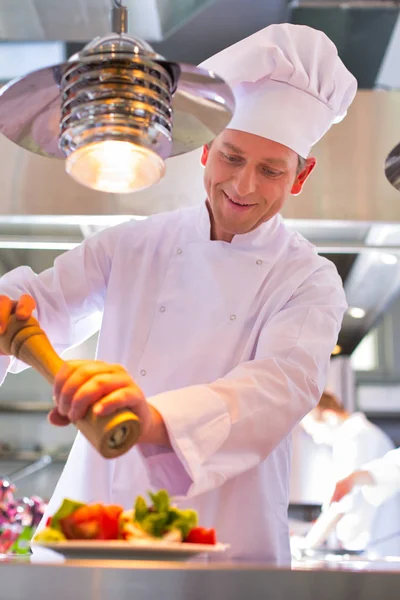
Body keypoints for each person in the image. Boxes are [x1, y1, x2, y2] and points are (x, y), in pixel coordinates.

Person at [0, 23, 357, 564]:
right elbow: (38, 308)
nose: (243, 187)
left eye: (270, 171)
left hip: (227, 539)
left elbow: (278, 388)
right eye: (233, 158)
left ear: (300, 177)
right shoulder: (134, 244)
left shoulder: (308, 278)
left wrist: (153, 420)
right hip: (96, 527)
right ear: (207, 150)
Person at [301, 391, 400, 554]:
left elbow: (344, 500)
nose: (316, 439)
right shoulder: (356, 434)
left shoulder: (355, 436)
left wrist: (309, 543)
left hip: (380, 540)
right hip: (376, 540)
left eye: (313, 431)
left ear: (329, 416)